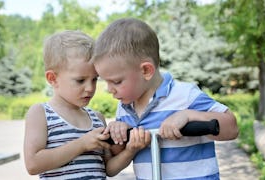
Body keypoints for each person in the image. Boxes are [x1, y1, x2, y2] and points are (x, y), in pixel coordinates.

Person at [91, 18, 239, 179]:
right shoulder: (125, 108)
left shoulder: (184, 95)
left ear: (146, 70)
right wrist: (118, 131)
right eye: (106, 81)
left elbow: (231, 128)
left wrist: (188, 115)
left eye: (116, 81)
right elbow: (117, 155)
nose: (109, 89)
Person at [23, 30, 151, 179]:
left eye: (95, 79)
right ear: (52, 78)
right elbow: (33, 164)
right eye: (80, 80)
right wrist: (82, 144)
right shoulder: (41, 113)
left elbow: (109, 169)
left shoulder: (97, 118)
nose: (90, 88)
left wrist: (130, 150)